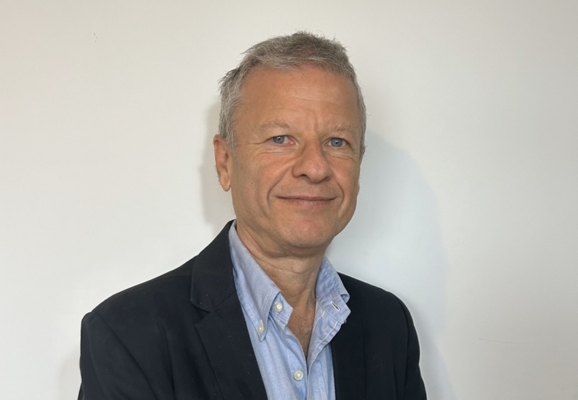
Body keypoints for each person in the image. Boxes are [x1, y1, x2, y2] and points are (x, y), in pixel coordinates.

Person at [79, 32, 426, 400]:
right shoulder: (129, 336)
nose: (315, 167)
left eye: (337, 142)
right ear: (225, 162)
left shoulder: (389, 325)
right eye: (281, 139)